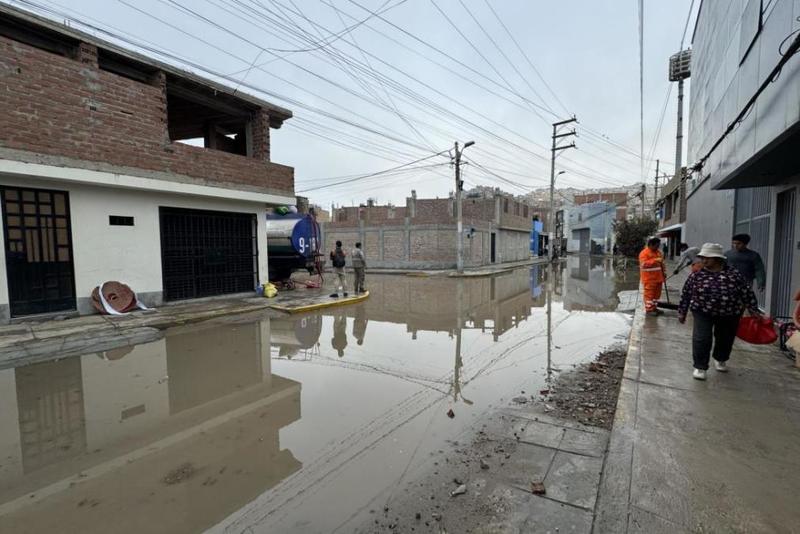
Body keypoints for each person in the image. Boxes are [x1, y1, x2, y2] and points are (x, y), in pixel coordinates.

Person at [678, 243, 761, 380]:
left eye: (707, 258)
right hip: (702, 312)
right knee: (702, 338)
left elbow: (746, 292)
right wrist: (682, 311)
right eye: (702, 257)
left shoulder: (734, 275)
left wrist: (753, 309)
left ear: (717, 259)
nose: (703, 261)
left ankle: (720, 358)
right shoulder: (697, 275)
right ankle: (700, 367)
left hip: (729, 313)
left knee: (725, 338)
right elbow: (686, 293)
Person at [639, 237, 666, 316]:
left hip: (658, 278)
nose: (658, 247)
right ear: (650, 245)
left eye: (658, 246)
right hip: (649, 278)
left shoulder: (658, 253)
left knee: (656, 295)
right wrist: (655, 260)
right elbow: (644, 264)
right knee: (649, 294)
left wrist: (664, 272)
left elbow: (662, 264)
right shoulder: (644, 253)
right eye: (656, 246)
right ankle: (649, 309)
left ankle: (654, 307)